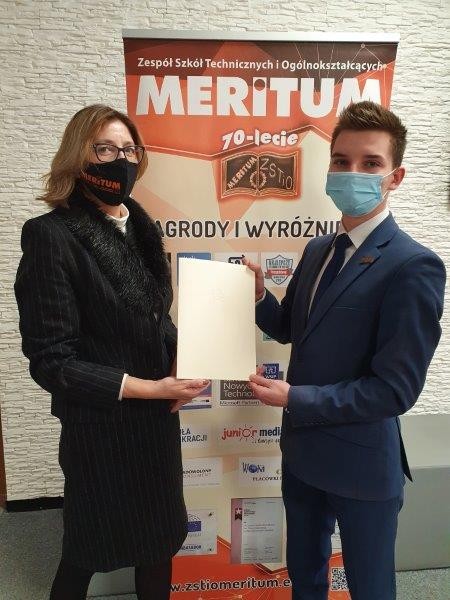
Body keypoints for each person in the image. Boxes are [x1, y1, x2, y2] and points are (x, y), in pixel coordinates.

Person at [244, 101, 446, 600]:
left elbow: (393, 391)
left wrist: (295, 398)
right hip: (302, 456)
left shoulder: (413, 266)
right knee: (305, 578)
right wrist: (259, 297)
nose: (352, 172)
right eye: (342, 160)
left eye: (370, 163)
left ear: (395, 177)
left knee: (370, 588)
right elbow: (290, 328)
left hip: (361, 465)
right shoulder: (319, 249)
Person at [14, 104, 209, 600]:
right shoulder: (51, 235)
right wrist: (149, 388)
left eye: (128, 149)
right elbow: (51, 360)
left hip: (155, 424)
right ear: (78, 157)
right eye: (104, 149)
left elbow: (155, 318)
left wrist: (183, 356)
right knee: (86, 549)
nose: (119, 160)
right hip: (100, 428)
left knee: (158, 543)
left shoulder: (142, 227)